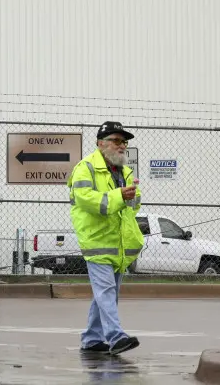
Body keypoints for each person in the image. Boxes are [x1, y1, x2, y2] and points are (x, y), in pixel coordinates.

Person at [68, 121, 144, 356]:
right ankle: (115, 336)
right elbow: (85, 199)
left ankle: (92, 339)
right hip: (97, 240)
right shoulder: (86, 167)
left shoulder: (124, 170)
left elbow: (134, 204)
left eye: (124, 142)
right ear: (101, 143)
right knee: (106, 291)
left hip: (119, 244)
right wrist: (118, 196)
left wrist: (130, 196)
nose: (122, 146)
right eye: (116, 140)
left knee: (106, 293)